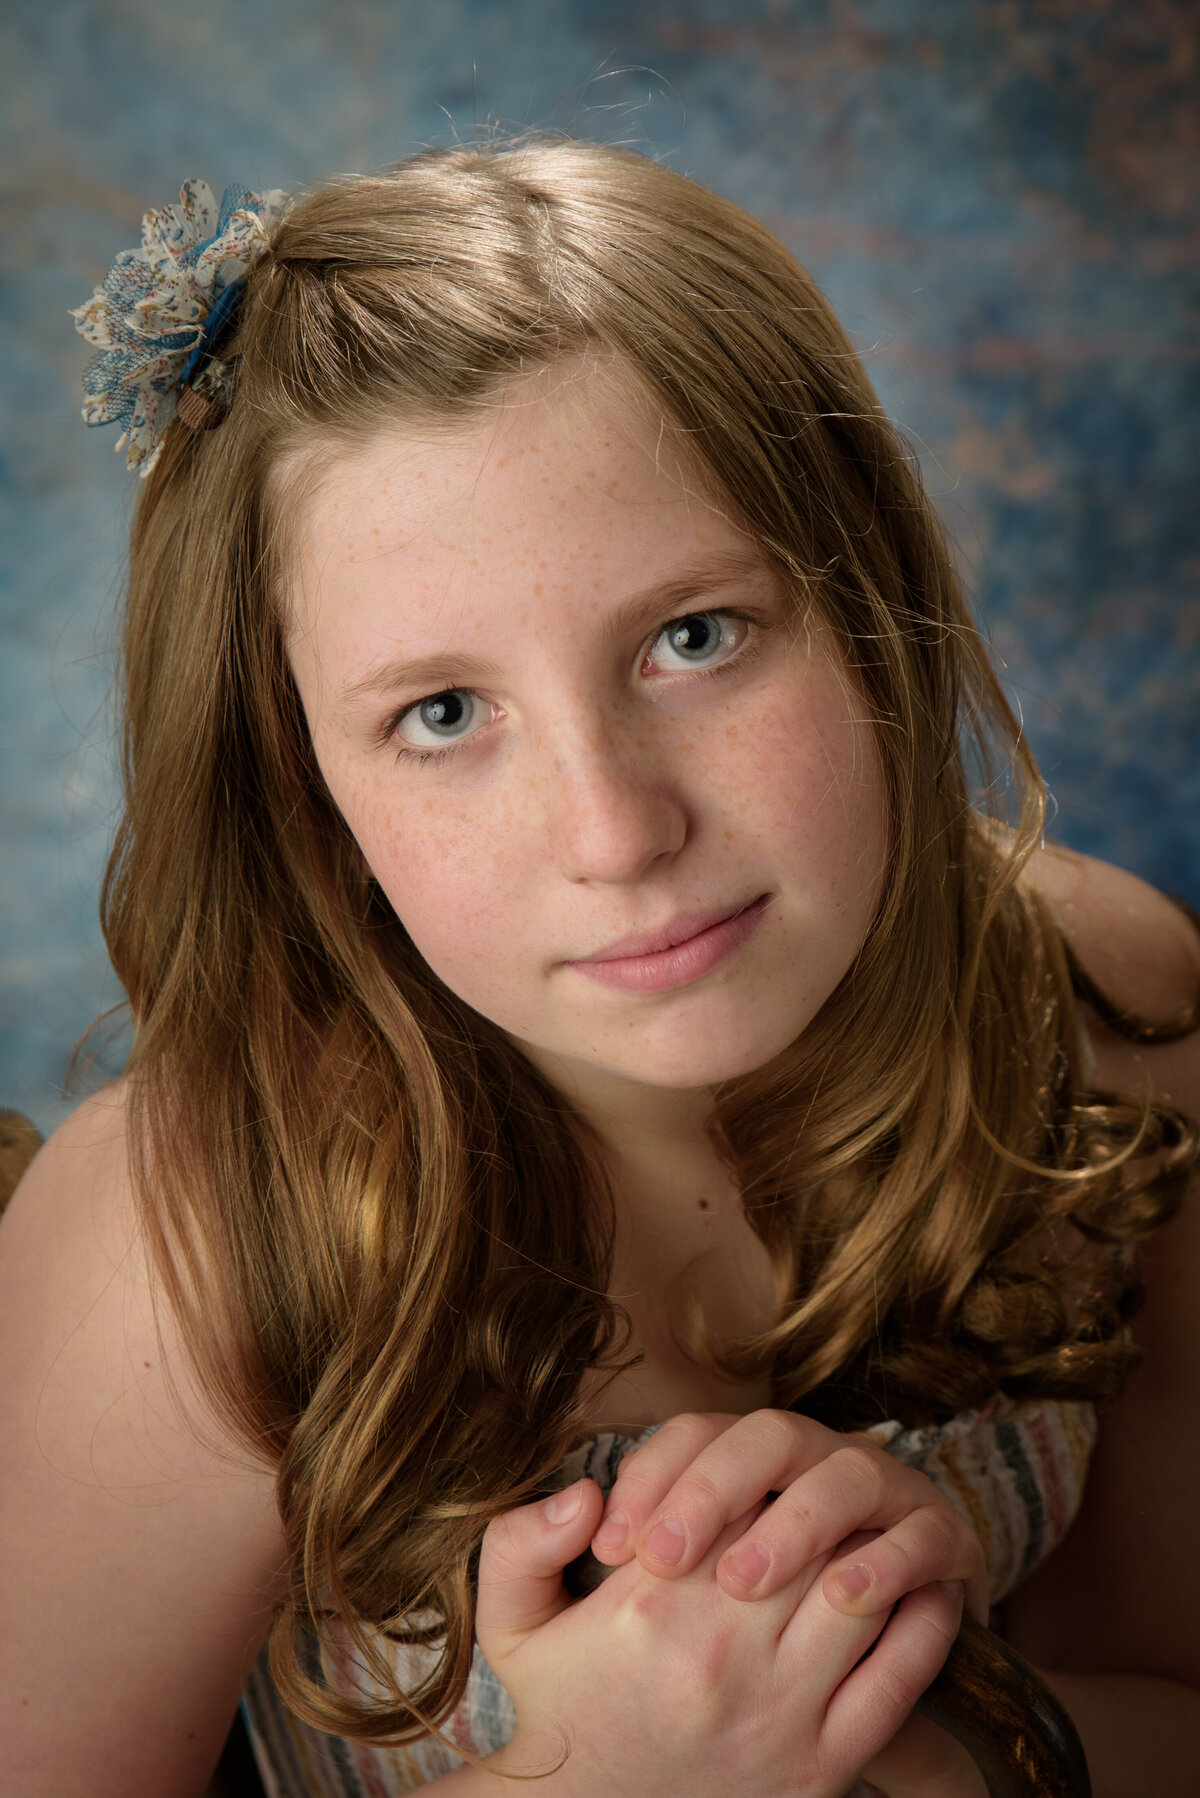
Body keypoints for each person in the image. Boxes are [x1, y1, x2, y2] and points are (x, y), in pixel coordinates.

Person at [1, 139, 1197, 1798]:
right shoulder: (184, 1243)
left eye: (692, 637)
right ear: (307, 790)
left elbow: (1164, 1688)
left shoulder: (1101, 1009)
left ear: (870, 606)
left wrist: (951, 1728)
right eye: (442, 714)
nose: (616, 829)